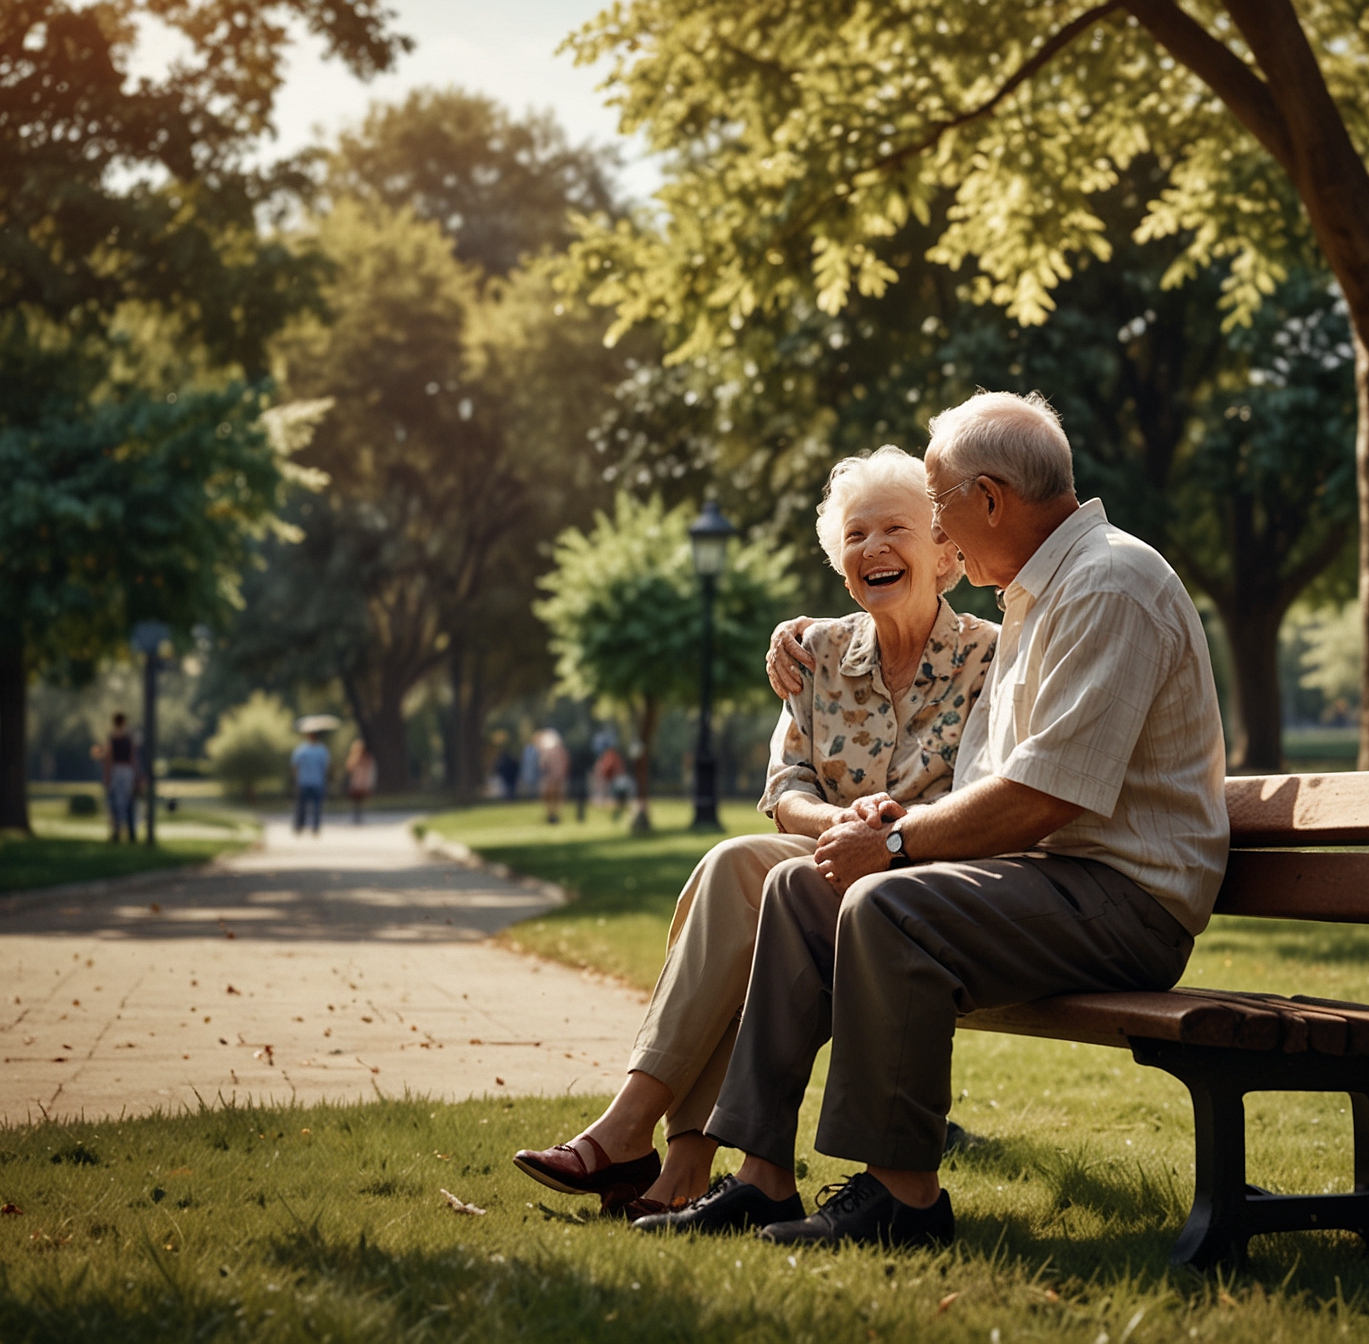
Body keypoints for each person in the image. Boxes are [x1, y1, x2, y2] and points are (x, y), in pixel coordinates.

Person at [636, 391, 1229, 1249]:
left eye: (941, 505)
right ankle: (761, 1179)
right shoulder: (1039, 595)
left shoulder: (1108, 583)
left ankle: (903, 1200)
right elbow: (995, 781)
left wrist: (900, 843)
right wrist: (891, 820)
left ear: (989, 499)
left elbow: (1049, 794)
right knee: (806, 888)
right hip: (1048, 879)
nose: (940, 534)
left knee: (882, 903)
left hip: (1125, 898)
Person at [513, 445, 996, 1219]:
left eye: (895, 530)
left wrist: (888, 832)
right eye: (856, 534)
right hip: (828, 856)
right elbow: (786, 788)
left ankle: (656, 1152)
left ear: (946, 552)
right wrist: (840, 824)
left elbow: (982, 795)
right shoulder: (818, 653)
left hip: (921, 875)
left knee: (773, 885)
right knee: (738, 863)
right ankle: (657, 1147)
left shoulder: (990, 658)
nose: (872, 548)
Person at [102, 713, 138, 842]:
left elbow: (108, 759)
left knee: (117, 802)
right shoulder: (128, 738)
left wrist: (107, 777)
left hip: (117, 771)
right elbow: (133, 758)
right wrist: (135, 775)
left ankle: (117, 832)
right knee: (127, 801)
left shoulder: (113, 738)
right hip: (126, 771)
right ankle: (130, 832)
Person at [291, 730, 331, 836]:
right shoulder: (322, 750)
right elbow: (325, 767)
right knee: (316, 806)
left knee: (302, 806)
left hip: (304, 781)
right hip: (317, 781)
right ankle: (315, 826)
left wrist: (297, 778)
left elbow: (294, 765)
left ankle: (300, 825)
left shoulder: (301, 749)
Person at [536, 729, 570, 824]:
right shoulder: (561, 751)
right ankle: (555, 815)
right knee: (557, 797)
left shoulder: (547, 752)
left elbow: (542, 765)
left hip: (550, 778)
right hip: (559, 777)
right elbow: (566, 763)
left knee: (550, 797)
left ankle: (551, 815)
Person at [344, 739, 376, 824]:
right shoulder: (353, 758)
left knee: (361, 800)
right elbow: (349, 768)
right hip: (355, 783)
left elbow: (370, 770)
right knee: (356, 801)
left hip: (363, 783)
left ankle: (359, 814)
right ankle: (356, 814)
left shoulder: (366, 758)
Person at [567, 729, 595, 822]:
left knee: (578, 796)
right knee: (580, 796)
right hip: (581, 775)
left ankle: (580, 816)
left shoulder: (572, 750)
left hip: (577, 775)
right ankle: (580, 816)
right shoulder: (584, 749)